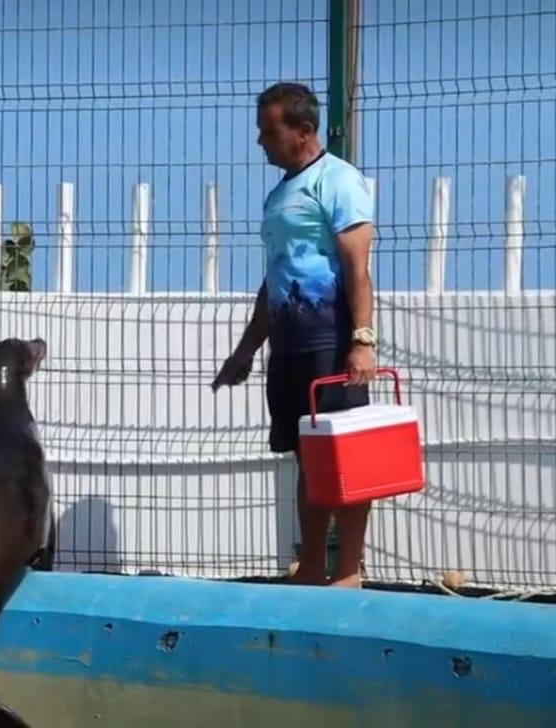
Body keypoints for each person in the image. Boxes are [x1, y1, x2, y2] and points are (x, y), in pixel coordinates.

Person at [211, 82, 378, 588]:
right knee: (307, 455)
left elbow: (358, 268)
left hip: (330, 334)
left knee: (344, 449)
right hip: (288, 343)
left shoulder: (339, 182)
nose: (261, 142)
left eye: (270, 132)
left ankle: (348, 568)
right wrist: (245, 351)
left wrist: (363, 339)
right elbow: (276, 277)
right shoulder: (280, 193)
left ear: (304, 131)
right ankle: (310, 566)